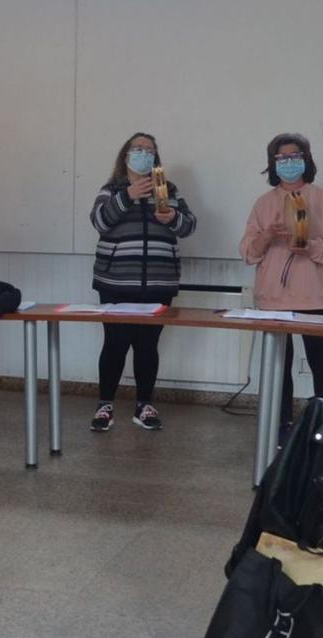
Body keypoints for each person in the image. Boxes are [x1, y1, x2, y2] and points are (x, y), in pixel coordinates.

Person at [88, 132, 197, 432]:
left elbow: (189, 225)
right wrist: (128, 197)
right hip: (116, 283)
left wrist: (172, 217)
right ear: (126, 156)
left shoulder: (169, 189)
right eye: (137, 149)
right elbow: (98, 221)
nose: (144, 154)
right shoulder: (111, 190)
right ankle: (104, 405)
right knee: (115, 344)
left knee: (148, 346)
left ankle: (144, 406)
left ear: (156, 158)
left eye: (149, 150)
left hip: (159, 283)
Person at [239, 133, 323, 435]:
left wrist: (309, 246)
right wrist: (268, 235)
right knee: (277, 369)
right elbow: (248, 252)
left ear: (306, 159)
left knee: (322, 365)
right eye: (281, 158)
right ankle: (279, 424)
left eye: (294, 156)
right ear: (272, 164)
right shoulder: (263, 203)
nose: (288, 162)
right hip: (272, 298)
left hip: (312, 296)